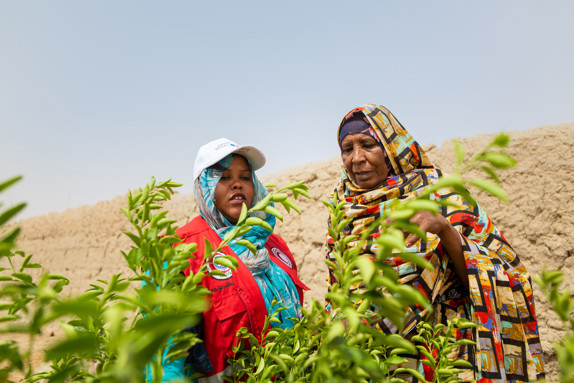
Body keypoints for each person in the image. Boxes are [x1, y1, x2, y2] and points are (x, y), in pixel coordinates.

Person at [325, 104, 544, 382]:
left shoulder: (441, 195)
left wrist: (444, 229)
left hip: (439, 358)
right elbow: (337, 291)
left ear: (393, 148)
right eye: (347, 149)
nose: (357, 159)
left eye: (368, 144)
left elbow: (508, 278)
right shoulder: (343, 210)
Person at [153, 137, 308, 382]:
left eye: (245, 177)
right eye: (224, 177)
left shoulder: (274, 246)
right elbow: (168, 360)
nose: (237, 184)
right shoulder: (182, 251)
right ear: (205, 186)